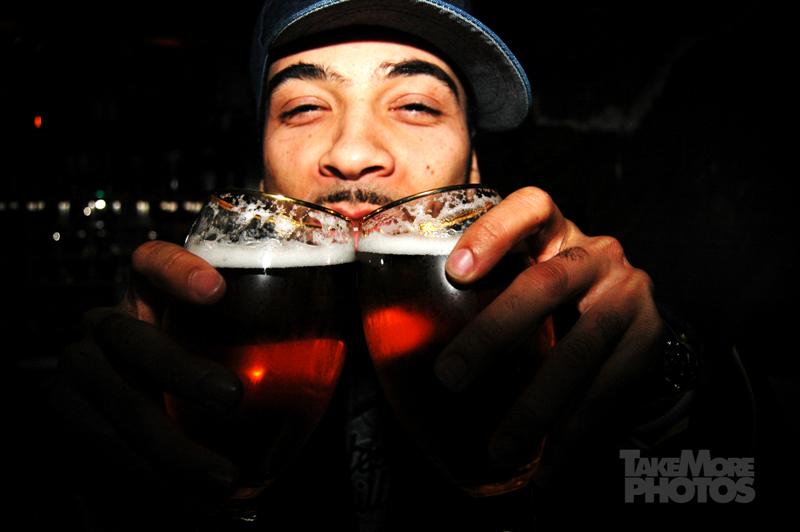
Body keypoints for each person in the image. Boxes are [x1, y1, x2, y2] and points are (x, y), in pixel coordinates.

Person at [49, 1, 699, 530]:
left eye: (415, 104)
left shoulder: (542, 343)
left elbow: (717, 487)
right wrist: (91, 474)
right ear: (262, 172)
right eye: (304, 108)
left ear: (474, 167)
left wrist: (662, 387)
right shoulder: (197, 346)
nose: (353, 151)